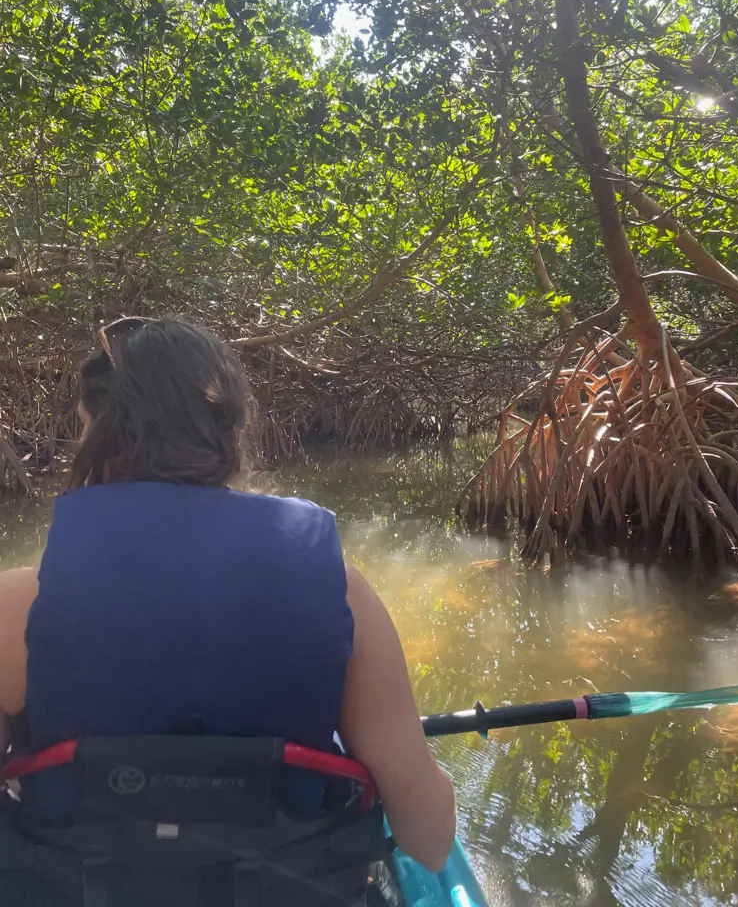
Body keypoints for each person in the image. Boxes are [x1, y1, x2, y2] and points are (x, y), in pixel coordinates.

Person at [0, 317, 455, 876]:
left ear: (99, 436)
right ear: (227, 429)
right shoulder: (343, 592)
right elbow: (429, 842)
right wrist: (436, 784)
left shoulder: (16, 605)